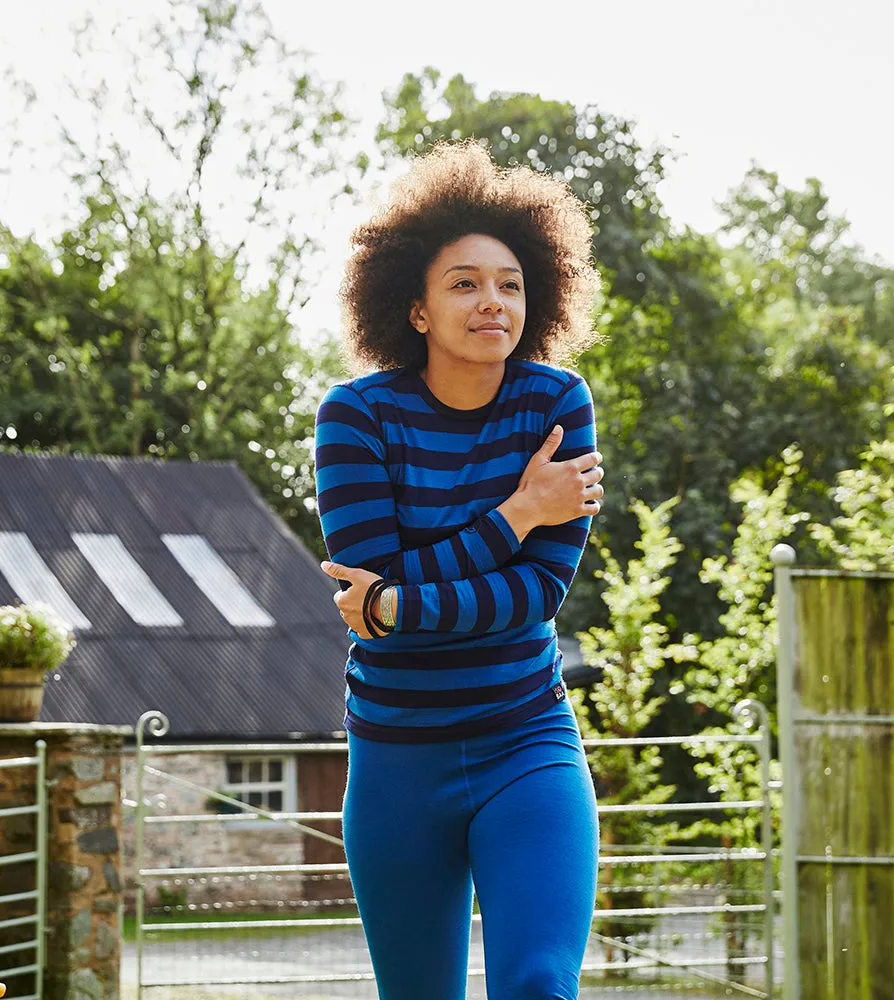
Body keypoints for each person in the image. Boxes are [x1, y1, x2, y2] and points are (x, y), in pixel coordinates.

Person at [313, 140, 605, 1000]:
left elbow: (534, 597)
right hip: (398, 760)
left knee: (539, 984)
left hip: (528, 739)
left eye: (510, 283)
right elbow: (373, 585)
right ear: (415, 309)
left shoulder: (557, 404)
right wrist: (520, 512)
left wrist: (403, 604)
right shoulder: (356, 417)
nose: (493, 302)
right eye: (465, 283)